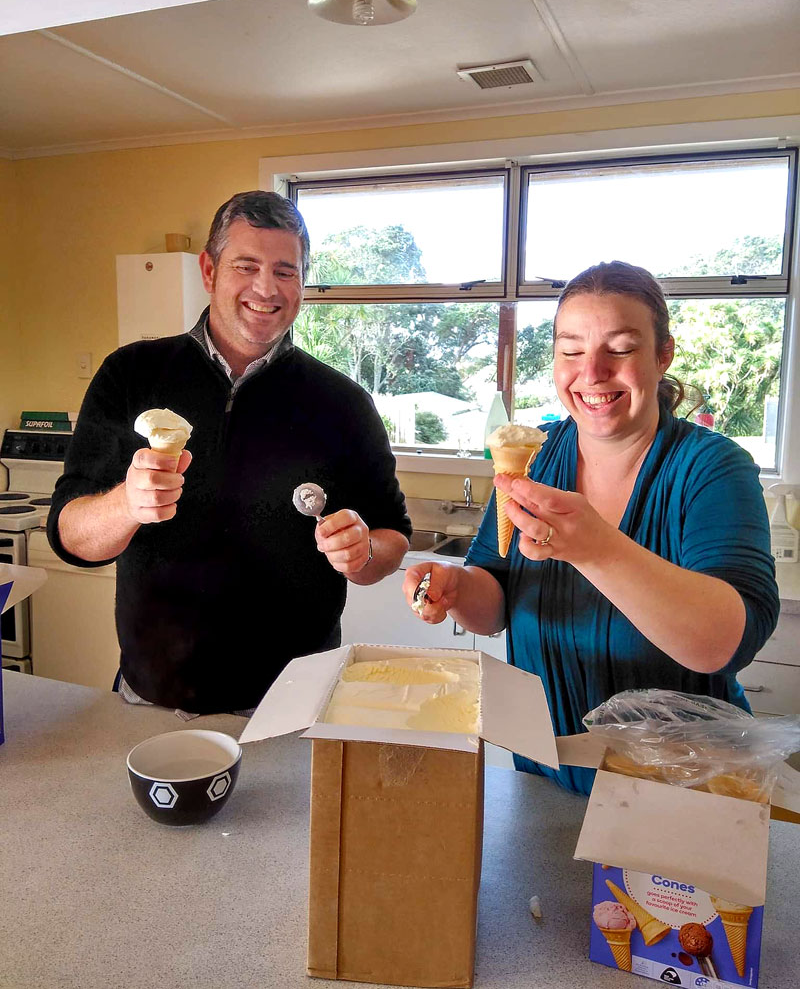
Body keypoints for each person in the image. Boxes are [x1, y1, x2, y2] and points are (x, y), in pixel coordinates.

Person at [403, 261, 779, 794]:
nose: (592, 372)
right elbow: (496, 601)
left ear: (662, 355)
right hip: (546, 770)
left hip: (678, 787)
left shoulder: (712, 468)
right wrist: (457, 587)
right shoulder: (535, 454)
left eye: (620, 349)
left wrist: (596, 549)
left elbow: (725, 643)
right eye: (571, 350)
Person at [48, 191, 411, 715]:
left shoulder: (342, 403)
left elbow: (393, 536)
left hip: (296, 704)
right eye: (247, 265)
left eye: (286, 272)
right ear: (209, 269)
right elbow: (69, 534)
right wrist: (125, 505)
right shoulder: (131, 376)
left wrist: (363, 553)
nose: (267, 288)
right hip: (152, 697)